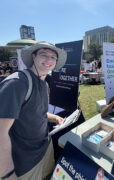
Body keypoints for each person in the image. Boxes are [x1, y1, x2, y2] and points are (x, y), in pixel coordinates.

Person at [0, 42, 67, 179]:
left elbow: (37, 111)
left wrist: (54, 117)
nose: (48, 60)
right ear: (33, 56)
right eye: (44, 55)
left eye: (53, 57)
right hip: (24, 163)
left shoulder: (44, 83)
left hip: (45, 148)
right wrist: (7, 173)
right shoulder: (17, 83)